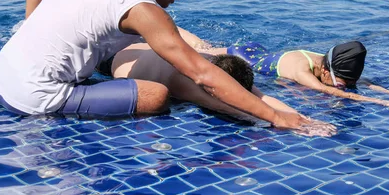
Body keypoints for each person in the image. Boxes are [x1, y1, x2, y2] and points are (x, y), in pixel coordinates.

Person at [0, 0, 335, 137]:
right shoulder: (141, 9)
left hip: (3, 73)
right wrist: (278, 117)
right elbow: (202, 73)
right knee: (156, 95)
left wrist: (31, 35)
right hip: (33, 98)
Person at [162, 35, 389, 113]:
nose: (344, 88)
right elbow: (325, 90)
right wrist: (387, 104)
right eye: (342, 83)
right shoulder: (303, 70)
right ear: (326, 71)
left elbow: (358, 82)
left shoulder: (326, 66)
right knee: (199, 50)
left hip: (261, 51)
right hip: (243, 54)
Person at [103, 44, 297, 120]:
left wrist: (303, 119)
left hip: (145, 47)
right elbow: (223, 105)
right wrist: (273, 120)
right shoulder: (184, 80)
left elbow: (261, 97)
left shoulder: (217, 67)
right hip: (115, 60)